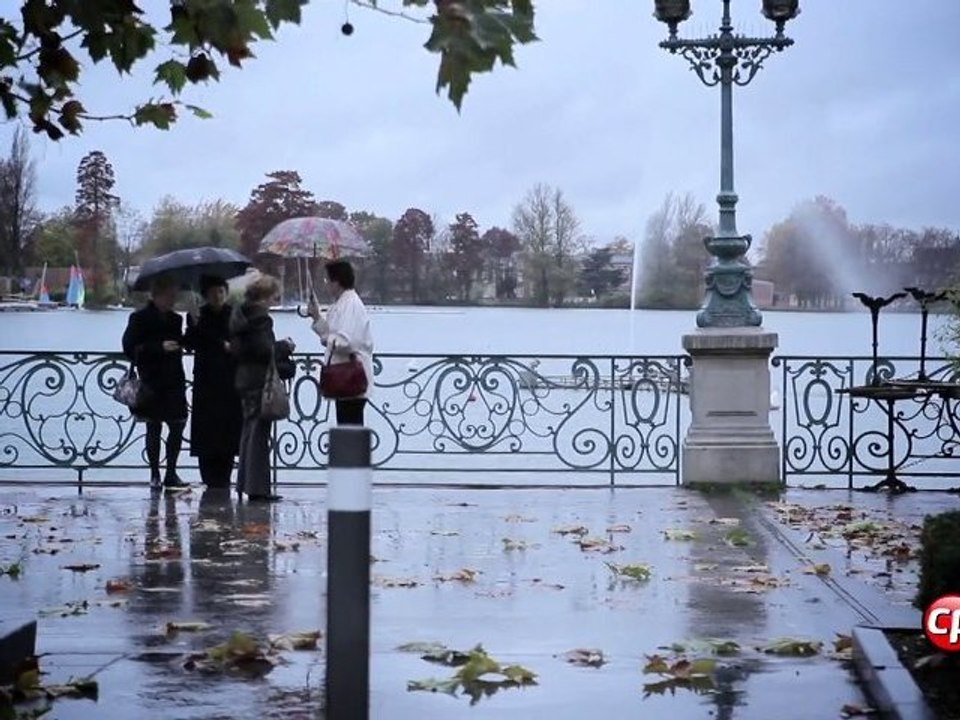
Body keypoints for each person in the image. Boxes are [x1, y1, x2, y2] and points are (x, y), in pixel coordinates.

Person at [230, 274, 296, 502]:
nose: (274, 301)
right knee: (259, 434)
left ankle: (244, 484)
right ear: (264, 297)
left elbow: (244, 350)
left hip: (243, 378)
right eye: (273, 297)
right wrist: (284, 346)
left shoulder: (239, 316)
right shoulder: (261, 319)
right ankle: (258, 488)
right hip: (259, 380)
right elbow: (263, 350)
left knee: (248, 432)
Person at [121, 274, 189, 491]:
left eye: (174, 296)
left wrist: (193, 325)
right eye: (169, 296)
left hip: (175, 379)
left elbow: (185, 343)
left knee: (178, 425)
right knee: (153, 427)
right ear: (157, 295)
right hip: (151, 379)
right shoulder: (139, 318)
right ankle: (154, 474)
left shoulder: (176, 319)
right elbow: (130, 347)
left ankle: (171, 472)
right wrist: (159, 347)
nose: (172, 300)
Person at [183, 275, 242, 490]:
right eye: (213, 293)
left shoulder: (234, 314)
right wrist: (194, 324)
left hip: (229, 379)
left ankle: (224, 477)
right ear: (205, 295)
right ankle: (209, 477)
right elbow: (189, 344)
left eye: (221, 292)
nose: (217, 296)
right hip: (206, 380)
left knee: (228, 430)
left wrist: (229, 346)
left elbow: (239, 342)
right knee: (206, 430)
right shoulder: (199, 315)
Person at [307, 260, 374, 425]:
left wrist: (326, 339)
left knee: (350, 426)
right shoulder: (342, 303)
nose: (326, 285)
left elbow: (346, 341)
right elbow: (333, 333)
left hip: (351, 377)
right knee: (346, 425)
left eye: (326, 280)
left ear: (336, 282)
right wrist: (316, 317)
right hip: (345, 377)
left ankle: (351, 451)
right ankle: (348, 451)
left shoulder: (350, 304)